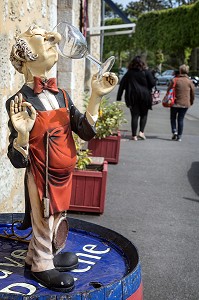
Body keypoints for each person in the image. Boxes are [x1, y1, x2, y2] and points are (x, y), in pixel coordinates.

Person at [6, 24, 118, 292]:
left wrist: (95, 97)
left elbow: (86, 131)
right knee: (44, 218)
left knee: (58, 218)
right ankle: (42, 264)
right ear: (25, 59)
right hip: (42, 175)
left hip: (64, 174)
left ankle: (40, 254)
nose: (54, 38)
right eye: (41, 39)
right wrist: (22, 136)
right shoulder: (19, 100)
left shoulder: (63, 95)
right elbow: (16, 159)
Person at [116, 56, 156, 140]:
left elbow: (122, 85)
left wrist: (119, 97)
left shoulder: (129, 73)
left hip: (132, 97)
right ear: (143, 63)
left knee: (134, 115)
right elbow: (152, 83)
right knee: (144, 115)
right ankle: (141, 132)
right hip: (145, 96)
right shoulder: (146, 72)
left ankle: (134, 135)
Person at [167, 64, 194, 142]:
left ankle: (174, 131)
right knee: (181, 119)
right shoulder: (189, 81)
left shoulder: (175, 80)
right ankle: (179, 136)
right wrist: (191, 102)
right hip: (185, 103)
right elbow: (192, 94)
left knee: (173, 117)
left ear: (180, 71)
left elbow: (169, 90)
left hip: (174, 102)